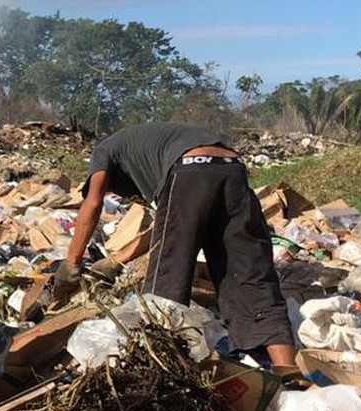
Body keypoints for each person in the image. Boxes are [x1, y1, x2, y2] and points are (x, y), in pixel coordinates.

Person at [55, 121, 297, 371]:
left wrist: (70, 264)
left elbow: (92, 203)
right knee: (250, 276)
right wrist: (114, 261)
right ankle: (287, 371)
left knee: (167, 281)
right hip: (233, 167)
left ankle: (159, 371)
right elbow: (165, 232)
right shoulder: (149, 149)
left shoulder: (103, 150)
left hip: (190, 167)